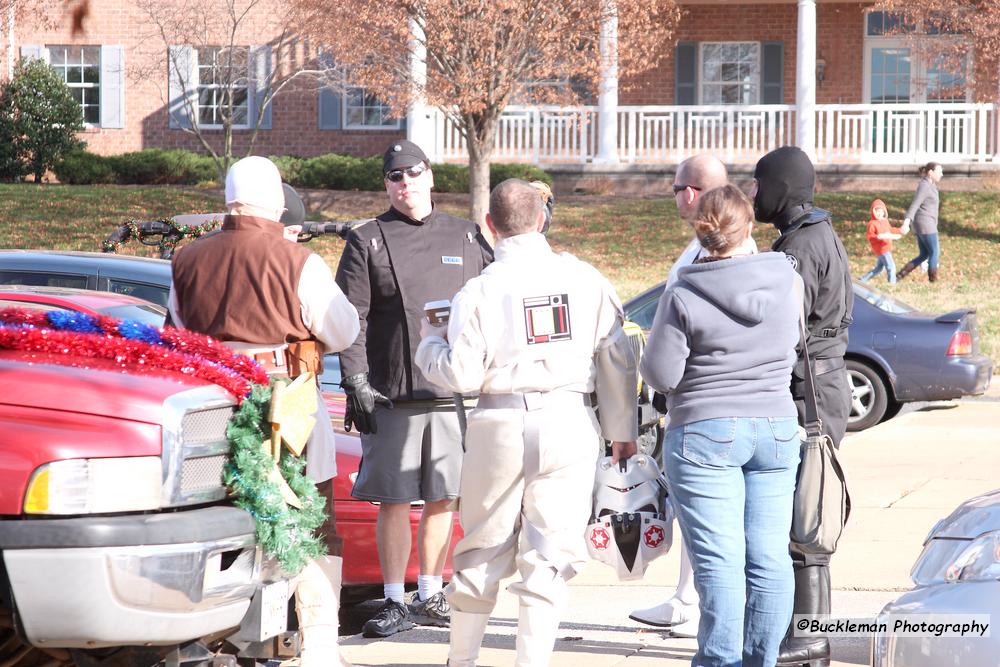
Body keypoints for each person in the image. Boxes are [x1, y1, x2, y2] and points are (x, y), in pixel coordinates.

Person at [414, 178, 638, 667]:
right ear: (542, 219)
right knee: (552, 553)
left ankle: (462, 657)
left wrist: (430, 343)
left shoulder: (478, 290)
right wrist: (623, 431)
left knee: (482, 547)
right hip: (568, 418)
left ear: (490, 227)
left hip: (500, 422)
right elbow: (618, 358)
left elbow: (462, 374)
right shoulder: (585, 279)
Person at [168, 155, 360, 667]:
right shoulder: (296, 260)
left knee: (224, 521)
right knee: (310, 522)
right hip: (285, 402)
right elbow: (343, 330)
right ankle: (319, 649)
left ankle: (220, 642)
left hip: (210, 405)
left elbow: (177, 332)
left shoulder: (186, 259)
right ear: (276, 202)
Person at [334, 140, 494, 638]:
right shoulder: (367, 240)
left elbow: (492, 307)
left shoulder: (468, 236)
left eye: (413, 173)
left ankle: (430, 593)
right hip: (392, 395)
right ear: (386, 184)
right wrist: (355, 378)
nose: (405, 184)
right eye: (394, 176)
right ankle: (395, 598)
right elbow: (349, 318)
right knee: (394, 500)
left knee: (444, 496)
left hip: (452, 392)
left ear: (430, 176)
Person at [641, 184, 801, 667]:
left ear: (700, 230)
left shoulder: (685, 291)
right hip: (775, 428)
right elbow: (794, 341)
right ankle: (761, 660)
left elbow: (661, 374)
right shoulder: (787, 279)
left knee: (719, 562)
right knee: (770, 559)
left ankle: (719, 661)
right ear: (749, 227)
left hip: (706, 430)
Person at [629, 154, 754, 637]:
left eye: (679, 188)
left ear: (694, 192)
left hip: (708, 406)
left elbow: (681, 339)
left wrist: (664, 380)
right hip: (721, 405)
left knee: (711, 518)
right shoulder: (712, 251)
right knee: (696, 510)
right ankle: (687, 600)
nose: (677, 196)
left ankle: (706, 614)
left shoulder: (715, 258)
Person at [751, 145, 853, 667]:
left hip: (808, 390)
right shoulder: (819, 235)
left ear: (782, 189)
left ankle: (809, 636)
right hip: (823, 384)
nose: (754, 193)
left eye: (759, 183)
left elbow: (784, 326)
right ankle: (809, 637)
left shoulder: (799, 248)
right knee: (807, 513)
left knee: (806, 518)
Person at [897, 162, 944, 282]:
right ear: (930, 172)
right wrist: (906, 222)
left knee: (924, 254)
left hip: (923, 225)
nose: (941, 174)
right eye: (939, 172)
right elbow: (915, 204)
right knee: (935, 251)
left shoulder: (930, 185)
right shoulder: (925, 186)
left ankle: (901, 274)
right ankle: (933, 279)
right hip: (926, 225)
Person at [860, 198, 908, 284]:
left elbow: (890, 230)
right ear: (873, 212)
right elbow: (870, 236)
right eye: (877, 211)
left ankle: (862, 280)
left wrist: (900, 230)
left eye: (881, 211)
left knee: (879, 268)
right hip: (881, 249)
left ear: (884, 212)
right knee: (891, 266)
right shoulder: (872, 224)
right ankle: (892, 284)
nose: (879, 213)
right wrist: (879, 236)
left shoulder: (884, 221)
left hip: (886, 247)